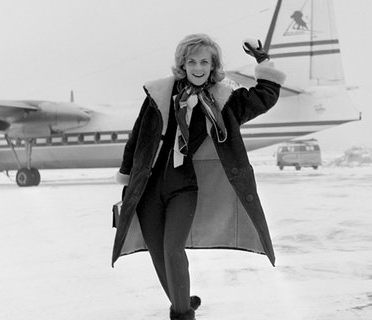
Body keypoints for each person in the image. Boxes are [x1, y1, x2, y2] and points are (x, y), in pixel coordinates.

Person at [112, 34, 286, 320]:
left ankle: (182, 315)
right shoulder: (158, 94)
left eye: (204, 61)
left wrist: (264, 61)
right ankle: (183, 300)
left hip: (184, 187)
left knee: (172, 249)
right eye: (191, 61)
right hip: (149, 187)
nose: (198, 67)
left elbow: (265, 96)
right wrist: (127, 175)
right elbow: (137, 137)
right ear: (183, 64)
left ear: (213, 64)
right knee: (158, 254)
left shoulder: (223, 100)